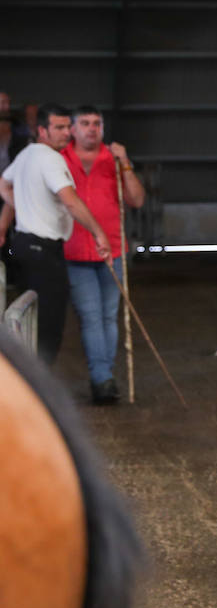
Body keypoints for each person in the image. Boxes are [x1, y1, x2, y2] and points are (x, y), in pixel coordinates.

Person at [0, 103, 111, 366]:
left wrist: (14, 215)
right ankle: (40, 392)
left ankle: (31, 387)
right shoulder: (50, 158)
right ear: (42, 130)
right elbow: (71, 201)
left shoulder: (27, 154)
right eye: (58, 128)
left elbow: (3, 184)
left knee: (31, 318)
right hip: (44, 251)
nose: (66, 133)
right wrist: (99, 233)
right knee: (48, 326)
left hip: (25, 246)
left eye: (67, 127)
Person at [62, 104, 145, 405]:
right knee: (91, 317)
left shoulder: (114, 159)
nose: (91, 128)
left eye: (96, 123)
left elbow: (136, 199)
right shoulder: (60, 159)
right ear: (72, 129)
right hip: (74, 250)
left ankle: (103, 377)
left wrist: (125, 162)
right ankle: (102, 378)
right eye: (84, 123)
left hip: (113, 249)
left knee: (108, 316)